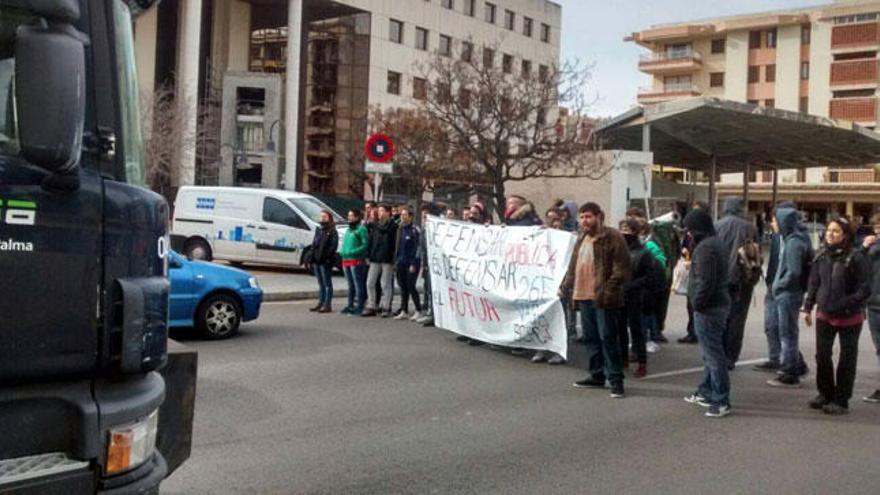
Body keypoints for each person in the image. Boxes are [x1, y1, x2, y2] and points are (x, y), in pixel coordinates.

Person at [801, 216, 871, 414]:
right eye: (829, 230)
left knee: (847, 360)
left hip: (850, 317)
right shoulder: (821, 255)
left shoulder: (856, 257)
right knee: (822, 356)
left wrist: (847, 302)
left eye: (836, 231)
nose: (830, 234)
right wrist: (807, 308)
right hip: (824, 315)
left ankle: (841, 400)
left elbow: (865, 288)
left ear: (845, 235)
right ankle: (825, 394)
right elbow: (813, 283)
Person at [561, 202, 631, 399]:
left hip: (604, 299)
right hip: (583, 296)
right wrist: (565, 286)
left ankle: (616, 381)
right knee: (591, 339)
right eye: (582, 217)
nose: (585, 221)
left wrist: (608, 291)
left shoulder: (612, 237)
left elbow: (622, 269)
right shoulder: (582, 238)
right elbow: (574, 265)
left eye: (589, 216)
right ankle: (596, 375)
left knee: (608, 339)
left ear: (600, 216)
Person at [682, 208, 732, 418]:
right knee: (710, 353)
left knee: (713, 355)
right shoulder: (714, 243)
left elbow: (706, 281)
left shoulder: (705, 248)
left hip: (709, 307)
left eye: (689, 229)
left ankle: (721, 399)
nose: (687, 234)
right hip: (716, 305)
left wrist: (697, 303)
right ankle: (707, 390)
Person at [757, 203, 809, 380]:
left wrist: (780, 284)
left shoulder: (795, 241)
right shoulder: (783, 238)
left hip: (786, 291)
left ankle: (790, 368)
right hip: (777, 286)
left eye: (774, 219)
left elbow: (794, 270)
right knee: (774, 327)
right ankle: (784, 360)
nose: (772, 223)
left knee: (786, 332)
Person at [714, 198, 759, 370]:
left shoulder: (716, 226)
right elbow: (756, 254)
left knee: (719, 317)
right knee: (737, 319)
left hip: (720, 279)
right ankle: (731, 356)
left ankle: (717, 353)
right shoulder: (750, 227)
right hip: (743, 279)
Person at [618, 218, 663, 378]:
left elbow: (650, 277)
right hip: (620, 295)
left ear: (635, 232)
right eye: (622, 229)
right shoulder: (619, 251)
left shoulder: (644, 253)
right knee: (620, 329)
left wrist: (632, 285)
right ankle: (623, 359)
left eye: (628, 230)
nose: (625, 233)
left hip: (636, 297)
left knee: (636, 330)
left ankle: (642, 362)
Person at [363, 204, 397, 317]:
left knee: (385, 283)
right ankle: (372, 305)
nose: (380, 213)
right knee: (370, 282)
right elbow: (371, 241)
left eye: (382, 211)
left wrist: (393, 258)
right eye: (379, 211)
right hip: (375, 257)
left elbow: (394, 244)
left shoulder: (393, 226)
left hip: (387, 258)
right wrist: (368, 254)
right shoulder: (375, 225)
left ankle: (386, 307)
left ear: (388, 212)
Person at [393, 206, 423, 321]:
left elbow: (417, 248)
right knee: (403, 287)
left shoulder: (415, 230)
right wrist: (396, 261)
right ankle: (404, 310)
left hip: (411, 263)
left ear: (411, 217)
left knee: (411, 286)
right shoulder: (400, 229)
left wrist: (414, 264)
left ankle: (418, 310)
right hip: (401, 262)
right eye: (402, 215)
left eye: (405, 215)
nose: (402, 217)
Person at [862, 213, 880, 403]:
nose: (877, 231)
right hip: (873, 302)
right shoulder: (871, 247)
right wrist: (865, 247)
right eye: (876, 227)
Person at [308, 210, 339, 313]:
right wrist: (311, 256)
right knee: (320, 283)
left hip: (325, 261)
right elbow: (314, 244)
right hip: (317, 260)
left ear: (329, 218)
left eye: (324, 217)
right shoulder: (319, 230)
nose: (322, 219)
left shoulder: (332, 231)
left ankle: (327, 304)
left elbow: (333, 246)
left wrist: (327, 258)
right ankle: (321, 302)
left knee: (327, 283)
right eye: (321, 217)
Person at [340, 209, 369, 316]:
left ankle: (360, 306)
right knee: (350, 284)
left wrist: (353, 252)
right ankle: (350, 305)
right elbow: (345, 243)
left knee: (358, 284)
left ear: (357, 217)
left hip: (356, 260)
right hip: (346, 259)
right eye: (348, 215)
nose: (349, 218)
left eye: (351, 216)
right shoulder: (348, 230)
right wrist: (342, 252)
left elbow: (365, 245)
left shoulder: (361, 229)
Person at [417, 205, 435, 326]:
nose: (424, 219)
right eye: (423, 217)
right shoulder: (423, 230)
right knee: (427, 288)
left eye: (426, 216)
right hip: (427, 264)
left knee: (432, 290)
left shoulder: (435, 230)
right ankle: (429, 311)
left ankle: (432, 313)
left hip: (434, 266)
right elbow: (421, 248)